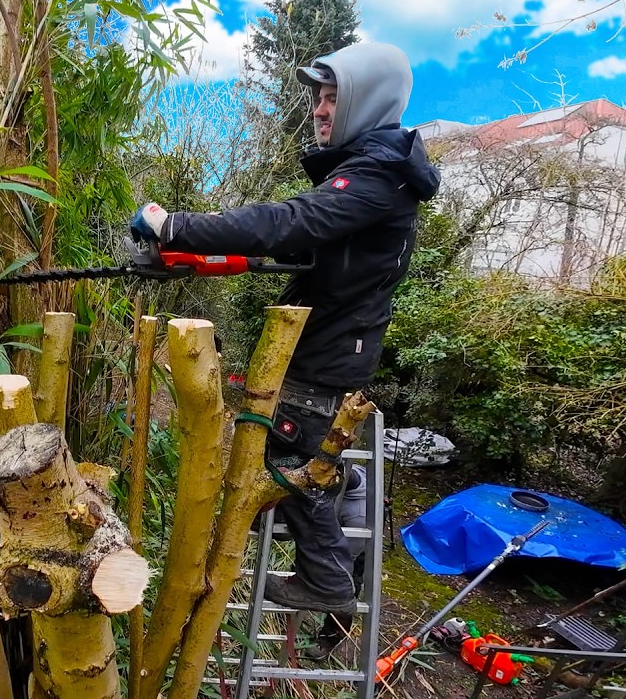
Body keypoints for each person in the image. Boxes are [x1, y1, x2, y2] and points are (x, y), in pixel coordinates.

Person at [129, 42, 440, 660]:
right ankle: (341, 497)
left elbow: (288, 224)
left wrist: (177, 225)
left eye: (333, 98)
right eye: (318, 99)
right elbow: (300, 254)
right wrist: (199, 259)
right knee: (298, 454)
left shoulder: (378, 175)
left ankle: (325, 580)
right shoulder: (373, 170)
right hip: (327, 342)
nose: (320, 110)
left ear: (367, 101)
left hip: (325, 355)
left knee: (290, 463)